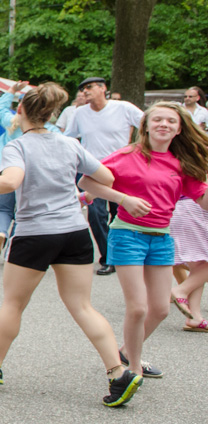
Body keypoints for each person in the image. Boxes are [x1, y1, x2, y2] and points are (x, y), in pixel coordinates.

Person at [0, 83, 142, 407]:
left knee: (13, 303)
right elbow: (106, 177)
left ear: (20, 111)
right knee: (82, 306)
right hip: (75, 232)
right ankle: (118, 372)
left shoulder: (17, 146)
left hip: (35, 233)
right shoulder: (69, 144)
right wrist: (80, 184)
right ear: (52, 114)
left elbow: (10, 181)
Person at [78, 102, 208, 380]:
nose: (164, 125)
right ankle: (133, 370)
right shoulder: (126, 155)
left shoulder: (180, 163)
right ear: (145, 126)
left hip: (161, 239)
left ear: (179, 129)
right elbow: (87, 183)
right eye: (157, 119)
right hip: (127, 235)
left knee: (160, 310)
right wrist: (123, 199)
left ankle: (125, 352)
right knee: (138, 308)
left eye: (170, 121)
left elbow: (202, 200)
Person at [65, 76, 144, 275]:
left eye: (89, 87)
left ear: (103, 88)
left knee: (121, 213)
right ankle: (108, 258)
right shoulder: (80, 113)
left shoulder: (123, 108)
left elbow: (147, 123)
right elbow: (69, 137)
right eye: (82, 89)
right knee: (96, 214)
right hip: (93, 171)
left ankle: (126, 256)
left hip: (123, 170)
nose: (85, 92)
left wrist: (139, 149)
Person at [0, 82, 33, 258]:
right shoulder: (46, 129)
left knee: (4, 209)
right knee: (21, 212)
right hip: (28, 175)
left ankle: (0, 233)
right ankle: (11, 248)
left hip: (7, 171)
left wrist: (12, 90)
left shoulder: (11, 123)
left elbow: (0, 108)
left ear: (19, 108)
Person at [171, 197, 208, 331]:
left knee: (199, 267)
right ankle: (181, 290)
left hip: (183, 209)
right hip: (195, 211)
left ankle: (195, 317)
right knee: (201, 266)